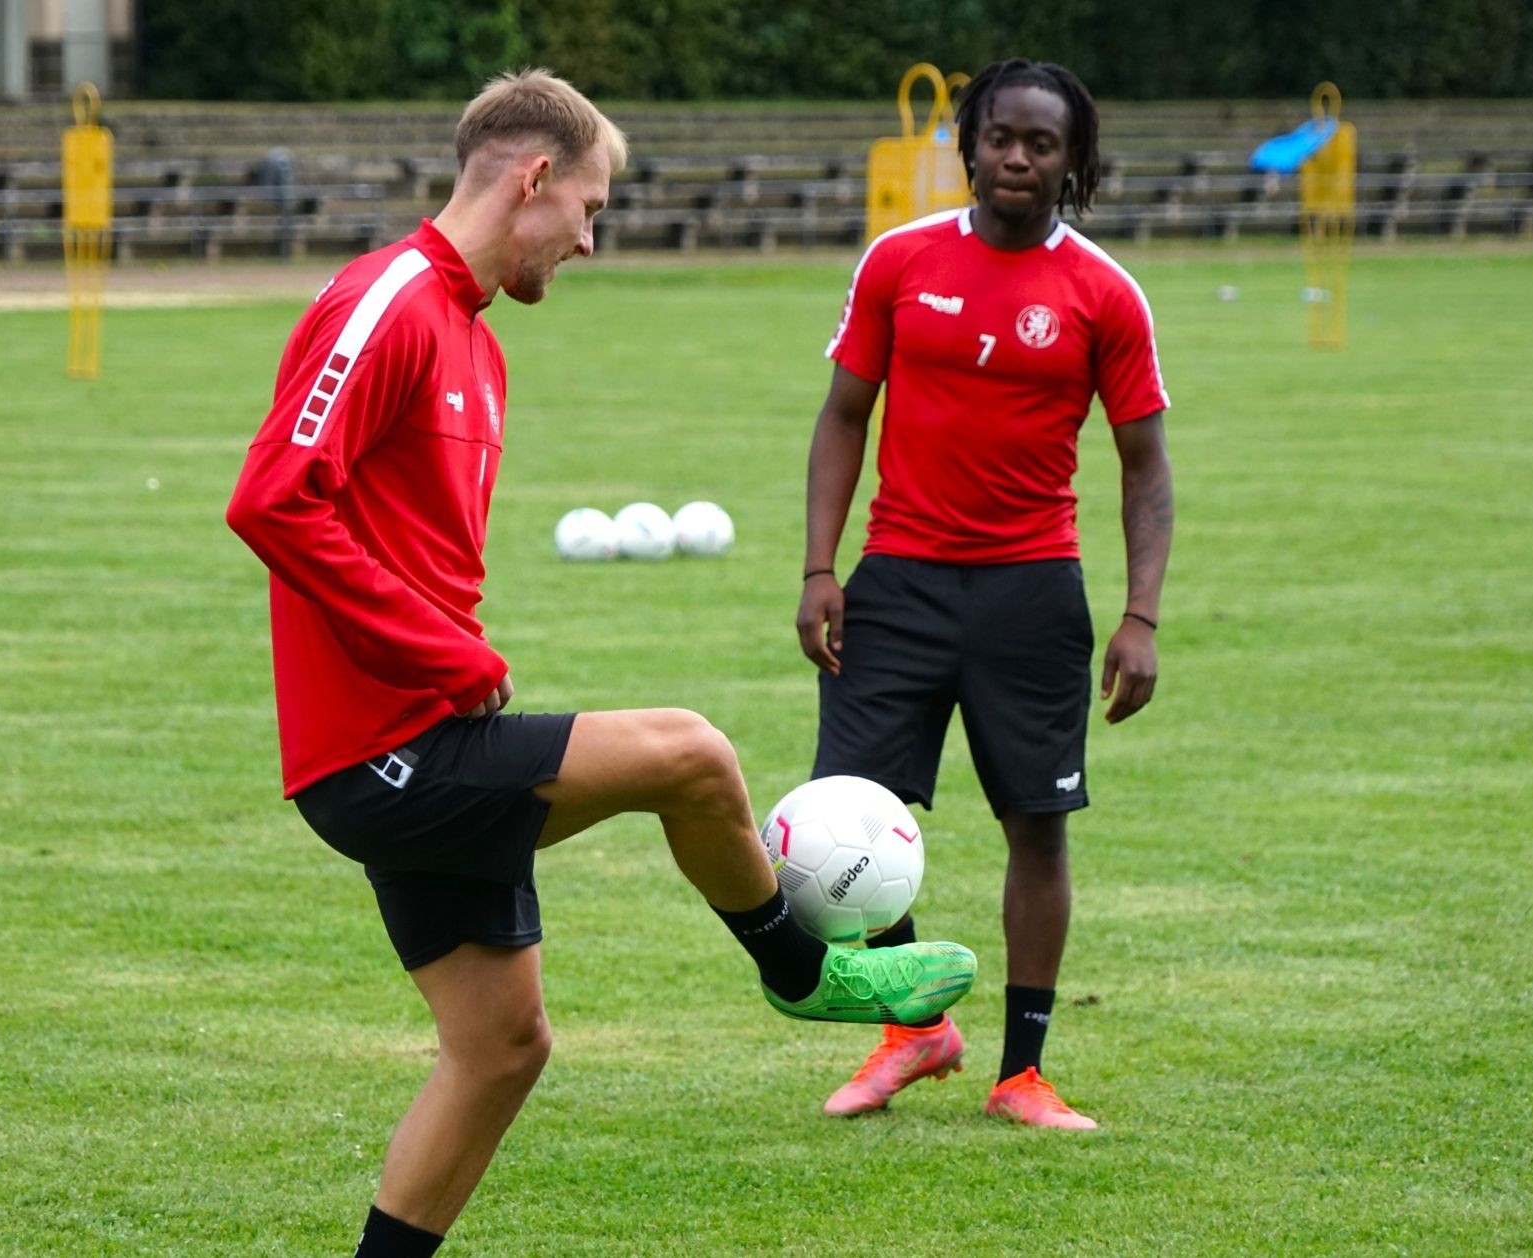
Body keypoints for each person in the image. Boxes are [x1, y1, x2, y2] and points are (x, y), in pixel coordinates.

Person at [225, 69, 976, 1258]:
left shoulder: (478, 343)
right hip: (383, 750)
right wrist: (442, 651)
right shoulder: (391, 300)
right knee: (691, 754)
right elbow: (273, 499)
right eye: (589, 208)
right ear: (533, 178)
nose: (589, 239)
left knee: (500, 1048)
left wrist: (445, 652)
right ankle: (801, 972)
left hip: (426, 736)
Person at [794, 58, 1174, 1130]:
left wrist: (1140, 617)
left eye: (1041, 143)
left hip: (1033, 593)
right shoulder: (900, 261)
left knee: (1037, 827)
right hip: (897, 584)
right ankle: (913, 1030)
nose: (1016, 157)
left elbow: (1145, 467)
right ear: (970, 146)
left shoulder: (1104, 292)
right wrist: (820, 568)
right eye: (1000, 136)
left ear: (1072, 160)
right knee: (848, 821)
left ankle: (1023, 1073)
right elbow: (843, 416)